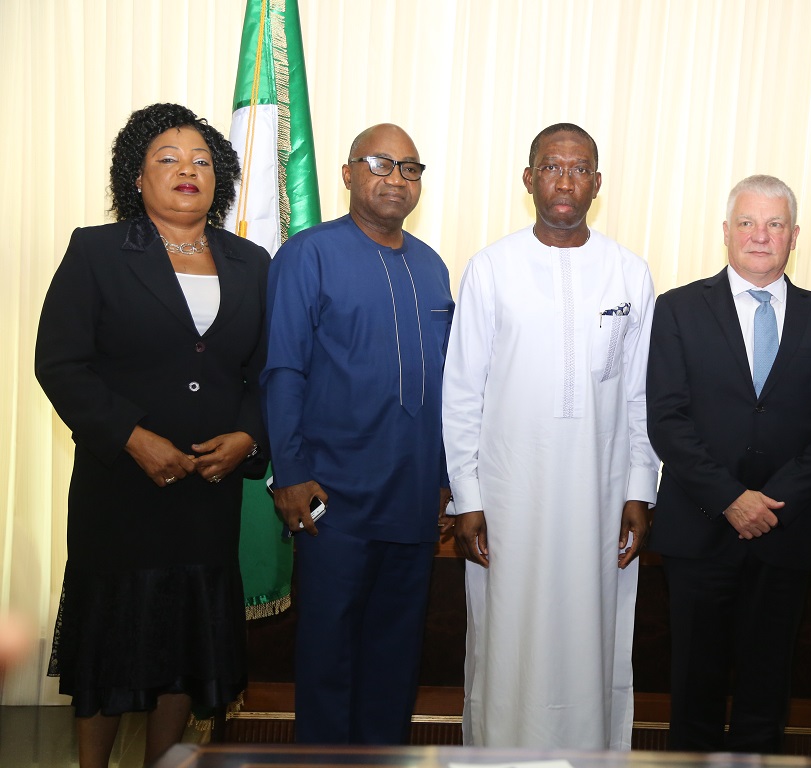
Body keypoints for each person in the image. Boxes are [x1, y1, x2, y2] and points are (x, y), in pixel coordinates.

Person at [35, 102, 270, 768]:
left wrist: (248, 438)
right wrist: (132, 437)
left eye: (201, 160)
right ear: (136, 178)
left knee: (185, 643)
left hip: (207, 489)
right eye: (167, 159)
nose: (186, 169)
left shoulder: (251, 262)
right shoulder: (98, 251)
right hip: (121, 489)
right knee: (111, 639)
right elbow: (60, 363)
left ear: (219, 178)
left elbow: (265, 374)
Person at [442, 123, 659, 749]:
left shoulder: (628, 273)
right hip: (510, 496)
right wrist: (468, 497)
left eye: (580, 168)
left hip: (600, 493)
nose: (566, 180)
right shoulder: (491, 269)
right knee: (506, 638)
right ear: (529, 178)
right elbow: (462, 393)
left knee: (595, 635)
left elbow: (641, 393)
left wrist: (640, 488)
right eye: (552, 167)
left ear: (597, 182)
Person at [646, 175, 811, 753]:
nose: (760, 236)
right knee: (695, 690)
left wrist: (771, 504)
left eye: (774, 224)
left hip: (783, 533)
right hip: (699, 529)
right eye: (747, 223)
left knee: (767, 692)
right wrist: (731, 499)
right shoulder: (678, 310)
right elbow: (666, 419)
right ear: (726, 231)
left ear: (794, 235)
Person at [262, 123, 453, 745]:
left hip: (413, 499)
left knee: (396, 661)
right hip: (332, 500)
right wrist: (290, 474)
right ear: (348, 173)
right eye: (381, 164)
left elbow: (448, 384)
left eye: (410, 168)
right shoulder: (308, 254)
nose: (397, 178)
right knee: (328, 657)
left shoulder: (432, 266)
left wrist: (445, 478)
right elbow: (283, 369)